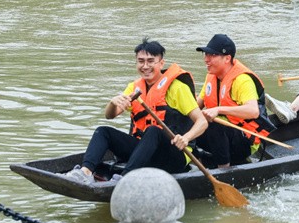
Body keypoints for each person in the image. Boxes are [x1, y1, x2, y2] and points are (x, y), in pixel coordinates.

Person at [66, 39, 206, 184]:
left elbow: (202, 122)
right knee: (103, 131)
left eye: (151, 61)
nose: (145, 66)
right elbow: (110, 115)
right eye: (141, 61)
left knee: (153, 131)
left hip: (175, 155)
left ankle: (125, 178)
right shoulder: (134, 88)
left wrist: (187, 138)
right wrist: (113, 103)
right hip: (143, 152)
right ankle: (85, 172)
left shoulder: (177, 88)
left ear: (161, 63)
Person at [196, 34, 276, 168]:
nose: (206, 59)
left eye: (212, 55)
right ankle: (198, 161)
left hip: (244, 141)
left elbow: (253, 111)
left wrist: (218, 109)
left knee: (216, 127)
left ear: (227, 58)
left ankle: (223, 170)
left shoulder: (242, 80)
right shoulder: (211, 77)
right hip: (220, 140)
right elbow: (196, 106)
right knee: (183, 122)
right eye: (205, 55)